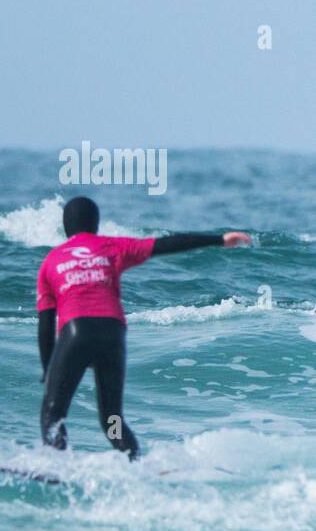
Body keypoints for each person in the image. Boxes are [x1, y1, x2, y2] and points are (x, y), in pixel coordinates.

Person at [36, 196, 249, 458]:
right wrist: (218, 239)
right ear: (96, 224)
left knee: (53, 414)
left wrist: (49, 368)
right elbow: (166, 244)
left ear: (66, 226)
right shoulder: (112, 246)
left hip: (76, 332)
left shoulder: (51, 261)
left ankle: (57, 467)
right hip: (112, 332)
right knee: (112, 419)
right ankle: (136, 464)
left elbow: (45, 324)